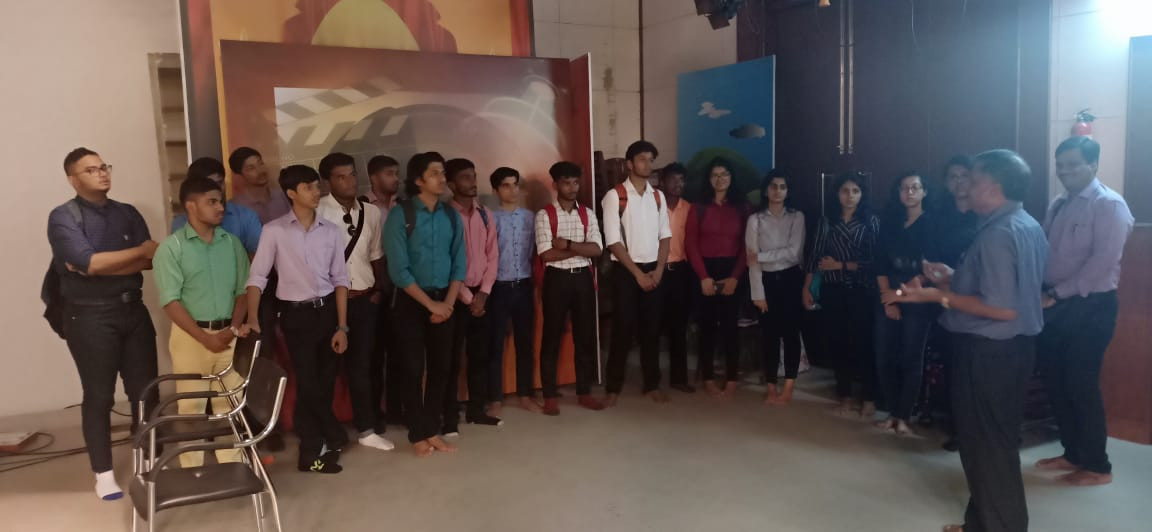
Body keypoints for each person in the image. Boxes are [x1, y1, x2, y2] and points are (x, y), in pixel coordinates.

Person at [888, 149, 1047, 532]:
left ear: (993, 187)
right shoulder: (1026, 224)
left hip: (989, 352)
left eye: (972, 182)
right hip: (1014, 351)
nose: (964, 188)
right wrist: (951, 277)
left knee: (987, 446)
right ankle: (983, 522)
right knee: (994, 443)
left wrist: (937, 296)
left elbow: (1002, 308)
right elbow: (1004, 288)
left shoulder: (998, 235)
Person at [48, 147, 159, 500]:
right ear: (73, 179)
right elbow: (91, 262)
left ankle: (149, 460)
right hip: (89, 315)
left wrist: (97, 265)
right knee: (98, 395)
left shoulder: (127, 212)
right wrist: (124, 256)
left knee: (146, 390)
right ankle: (104, 474)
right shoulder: (63, 217)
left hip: (133, 310)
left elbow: (150, 260)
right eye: (92, 169)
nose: (102, 173)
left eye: (104, 166)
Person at [1035, 136, 1133, 487]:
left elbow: (1102, 262)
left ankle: (1097, 466)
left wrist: (1056, 294)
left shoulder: (1109, 205)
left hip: (1090, 306)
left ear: (1093, 164)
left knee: (1080, 384)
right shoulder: (1059, 202)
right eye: (1060, 165)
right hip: (1054, 303)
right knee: (1056, 381)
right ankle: (1073, 452)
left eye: (1073, 165)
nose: (1064, 172)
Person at [245, 164, 351, 473]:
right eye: (309, 187)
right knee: (308, 382)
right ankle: (321, 442)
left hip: (328, 311)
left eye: (317, 186)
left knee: (325, 382)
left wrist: (342, 326)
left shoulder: (330, 231)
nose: (316, 192)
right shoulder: (274, 231)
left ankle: (320, 445)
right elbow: (258, 277)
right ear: (291, 193)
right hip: (296, 315)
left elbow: (340, 279)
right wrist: (253, 317)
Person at [153, 177, 252, 468]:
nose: (220, 207)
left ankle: (233, 466)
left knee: (229, 404)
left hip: (229, 335)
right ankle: (193, 470)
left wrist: (232, 329)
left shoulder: (231, 244)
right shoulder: (171, 248)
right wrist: (205, 337)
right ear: (191, 206)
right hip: (190, 338)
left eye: (221, 201)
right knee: (191, 408)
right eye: (212, 202)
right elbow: (171, 302)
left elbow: (243, 291)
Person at [382, 151, 465, 457]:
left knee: (442, 368)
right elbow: (398, 270)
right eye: (434, 173)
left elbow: (459, 263)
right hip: (411, 301)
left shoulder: (450, 215)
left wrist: (448, 304)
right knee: (413, 368)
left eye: (443, 173)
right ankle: (417, 432)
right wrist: (431, 305)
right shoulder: (400, 215)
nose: (442, 179)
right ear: (418, 180)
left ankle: (432, 429)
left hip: (446, 300)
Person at [316, 152, 395, 451]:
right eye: (341, 177)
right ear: (327, 182)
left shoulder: (370, 212)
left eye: (352, 174)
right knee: (325, 370)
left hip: (363, 299)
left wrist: (378, 291)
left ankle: (366, 429)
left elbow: (376, 254)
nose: (349, 182)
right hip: (329, 302)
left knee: (363, 367)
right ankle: (325, 432)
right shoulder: (318, 211)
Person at [873, 172, 944, 436]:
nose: (910, 192)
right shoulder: (890, 222)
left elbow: (932, 269)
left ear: (924, 191)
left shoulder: (932, 223)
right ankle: (892, 412)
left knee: (911, 358)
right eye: (904, 188)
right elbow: (879, 263)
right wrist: (887, 298)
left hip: (918, 298)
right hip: (887, 296)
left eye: (915, 187)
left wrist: (900, 294)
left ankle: (904, 415)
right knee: (884, 357)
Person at [804, 172, 880, 417]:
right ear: (837, 194)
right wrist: (806, 288)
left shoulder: (870, 222)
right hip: (832, 290)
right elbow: (814, 256)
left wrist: (841, 265)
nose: (850, 196)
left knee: (863, 344)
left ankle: (869, 397)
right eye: (845, 191)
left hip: (861, 291)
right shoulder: (827, 221)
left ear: (862, 194)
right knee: (837, 343)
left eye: (855, 191)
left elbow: (875, 262)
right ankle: (844, 395)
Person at [602, 140, 672, 405]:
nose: (647, 164)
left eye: (651, 160)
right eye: (642, 159)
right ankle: (613, 387)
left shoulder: (658, 196)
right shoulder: (615, 196)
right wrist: (638, 275)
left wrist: (659, 270)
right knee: (622, 330)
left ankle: (651, 384)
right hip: (626, 271)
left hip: (654, 269)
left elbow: (665, 236)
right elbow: (613, 241)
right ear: (629, 164)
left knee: (651, 330)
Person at [537, 162, 606, 415]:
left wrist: (566, 244)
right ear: (555, 185)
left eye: (576, 182)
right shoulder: (545, 215)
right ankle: (549, 396)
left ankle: (584, 392)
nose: (572, 187)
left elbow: (597, 250)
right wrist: (580, 249)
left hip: (583, 280)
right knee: (551, 337)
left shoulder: (587, 213)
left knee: (585, 337)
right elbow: (546, 254)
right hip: (556, 279)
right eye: (566, 182)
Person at [445, 158, 503, 431]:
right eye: (465, 178)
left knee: (480, 356)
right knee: (451, 358)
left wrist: (484, 293)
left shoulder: (485, 214)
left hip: (483, 296)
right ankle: (448, 414)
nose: (472, 182)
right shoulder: (445, 216)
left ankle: (476, 410)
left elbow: (493, 256)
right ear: (451, 184)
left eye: (474, 176)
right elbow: (445, 262)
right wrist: (469, 298)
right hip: (455, 298)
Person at [686, 158, 749, 398]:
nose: (720, 179)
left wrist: (734, 278)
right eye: (715, 175)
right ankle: (709, 378)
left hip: (733, 270)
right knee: (707, 328)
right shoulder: (698, 207)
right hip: (704, 270)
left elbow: (747, 246)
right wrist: (703, 277)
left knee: (731, 327)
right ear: (708, 179)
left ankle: (731, 378)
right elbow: (691, 244)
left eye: (724, 174)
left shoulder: (743, 207)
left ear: (731, 177)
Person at [746, 169, 805, 406]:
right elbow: (751, 261)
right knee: (769, 336)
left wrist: (762, 256)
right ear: (765, 190)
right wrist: (757, 294)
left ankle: (789, 386)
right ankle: (771, 386)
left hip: (791, 279)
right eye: (773, 186)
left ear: (787, 191)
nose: (777, 191)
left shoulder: (797, 217)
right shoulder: (755, 220)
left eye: (782, 187)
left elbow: (794, 253)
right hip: (766, 282)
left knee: (791, 334)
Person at [487, 167, 540, 412]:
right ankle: (495, 397)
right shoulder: (490, 218)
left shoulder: (530, 217)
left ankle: (525, 394)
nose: (512, 190)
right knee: (495, 343)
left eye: (515, 184)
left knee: (524, 343)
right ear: (495, 190)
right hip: (498, 286)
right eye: (506, 185)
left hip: (524, 285)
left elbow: (534, 252)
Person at [366, 154, 404, 427]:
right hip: (374, 291)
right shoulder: (363, 207)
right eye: (389, 173)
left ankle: (396, 409)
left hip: (403, 290)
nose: (396, 179)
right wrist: (377, 286)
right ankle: (373, 413)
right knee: (373, 356)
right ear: (374, 177)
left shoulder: (403, 207)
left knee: (401, 353)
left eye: (396, 173)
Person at [170, 157, 262, 256]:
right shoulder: (181, 223)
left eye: (219, 182)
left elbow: (260, 256)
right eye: (208, 184)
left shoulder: (246, 216)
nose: (216, 188)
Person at [657, 163, 696, 394]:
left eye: (681, 180)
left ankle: (679, 378)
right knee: (652, 326)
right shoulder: (653, 206)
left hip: (680, 271)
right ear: (663, 181)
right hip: (656, 270)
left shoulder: (689, 208)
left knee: (678, 327)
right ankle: (652, 379)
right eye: (673, 179)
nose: (678, 184)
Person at [228, 147, 291, 224]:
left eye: (261, 163)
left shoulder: (283, 196)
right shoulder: (235, 206)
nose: (260, 170)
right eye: (251, 168)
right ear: (240, 175)